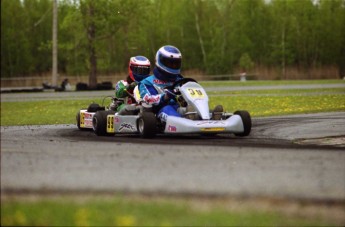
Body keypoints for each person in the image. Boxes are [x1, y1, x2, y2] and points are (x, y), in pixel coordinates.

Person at [139, 45, 223, 122]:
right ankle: (186, 121)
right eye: (170, 63)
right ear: (160, 61)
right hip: (159, 112)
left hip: (181, 108)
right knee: (168, 109)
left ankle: (208, 118)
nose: (173, 66)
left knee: (191, 109)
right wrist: (165, 96)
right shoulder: (147, 82)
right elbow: (148, 100)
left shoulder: (181, 80)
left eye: (176, 63)